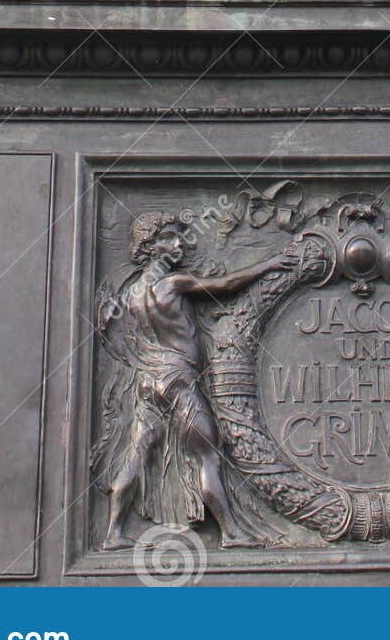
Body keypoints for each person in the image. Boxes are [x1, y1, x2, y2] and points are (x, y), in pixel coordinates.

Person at [96, 212, 294, 549]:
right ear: (149, 246)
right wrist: (271, 263)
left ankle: (113, 532)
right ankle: (231, 532)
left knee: (138, 455)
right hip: (179, 381)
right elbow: (227, 285)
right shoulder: (173, 283)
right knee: (209, 455)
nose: (178, 244)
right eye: (169, 238)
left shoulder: (130, 292)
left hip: (149, 383)